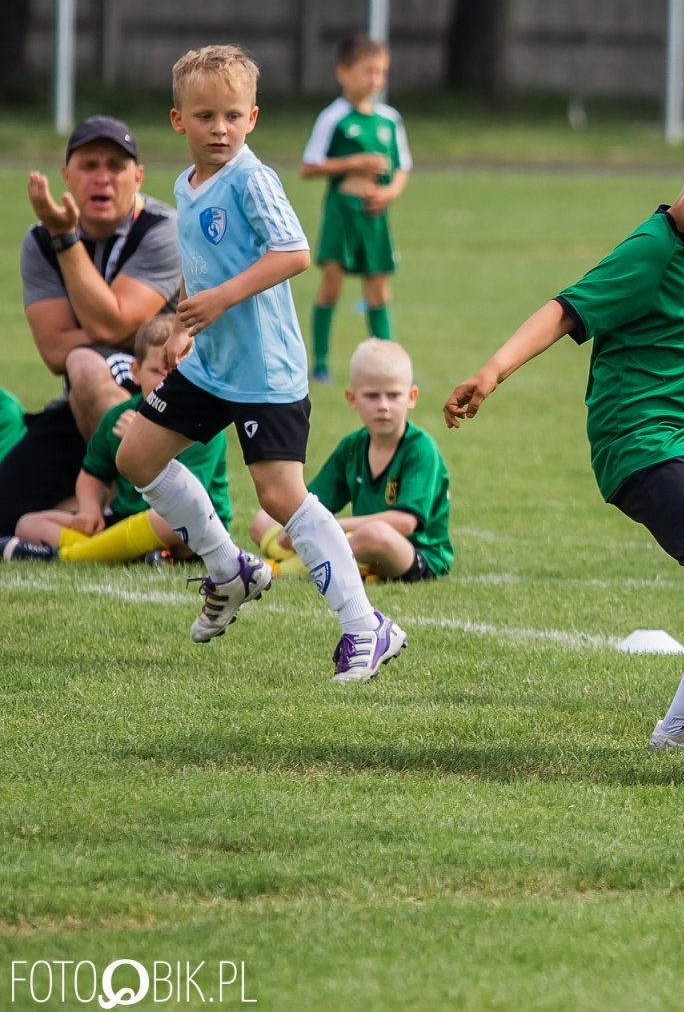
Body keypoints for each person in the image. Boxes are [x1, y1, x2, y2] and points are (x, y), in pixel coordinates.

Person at [444, 110, 684, 756]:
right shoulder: (653, 248)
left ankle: (680, 730)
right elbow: (564, 308)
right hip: (640, 442)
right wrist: (492, 371)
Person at [114, 44, 406, 684]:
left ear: (252, 118)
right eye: (204, 116)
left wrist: (219, 299)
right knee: (136, 456)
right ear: (177, 120)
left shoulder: (252, 178)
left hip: (265, 372)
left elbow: (295, 252)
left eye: (231, 115)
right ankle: (230, 568)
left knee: (280, 496)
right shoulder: (184, 187)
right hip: (210, 366)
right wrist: (187, 321)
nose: (219, 128)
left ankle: (366, 626)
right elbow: (202, 271)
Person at [0, 117, 182, 535]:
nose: (103, 178)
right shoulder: (39, 239)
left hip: (158, 405)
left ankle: (139, 505)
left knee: (84, 362)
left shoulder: (162, 230)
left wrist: (66, 239)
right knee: (5, 511)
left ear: (137, 177)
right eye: (89, 165)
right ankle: (109, 516)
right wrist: (128, 330)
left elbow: (106, 321)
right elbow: (52, 350)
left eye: (116, 166)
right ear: (66, 175)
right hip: (79, 404)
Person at [3, 314, 230, 564]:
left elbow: (188, 500)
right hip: (126, 518)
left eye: (177, 372)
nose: (167, 381)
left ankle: (73, 554)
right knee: (29, 524)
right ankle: (125, 552)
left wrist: (144, 443)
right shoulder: (117, 417)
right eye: (156, 371)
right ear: (135, 371)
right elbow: (93, 473)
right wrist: (89, 509)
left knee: (166, 521)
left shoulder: (204, 425)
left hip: (190, 526)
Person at [253, 339, 451, 583]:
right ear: (352, 398)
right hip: (358, 543)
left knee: (372, 536)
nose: (384, 406)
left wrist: (329, 527)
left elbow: (404, 523)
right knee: (264, 519)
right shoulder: (353, 446)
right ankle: (336, 560)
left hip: (413, 552)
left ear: (411, 396)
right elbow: (314, 502)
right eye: (372, 396)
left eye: (393, 395)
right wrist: (298, 527)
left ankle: (279, 569)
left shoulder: (420, 449)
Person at [302, 33, 412, 382]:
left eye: (382, 72)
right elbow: (309, 166)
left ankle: (387, 365)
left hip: (374, 215)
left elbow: (403, 166)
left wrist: (390, 193)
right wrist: (354, 162)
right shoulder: (334, 117)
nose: (376, 80)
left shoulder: (389, 119)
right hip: (341, 212)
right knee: (331, 285)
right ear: (343, 72)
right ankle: (320, 364)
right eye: (368, 71)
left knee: (378, 289)